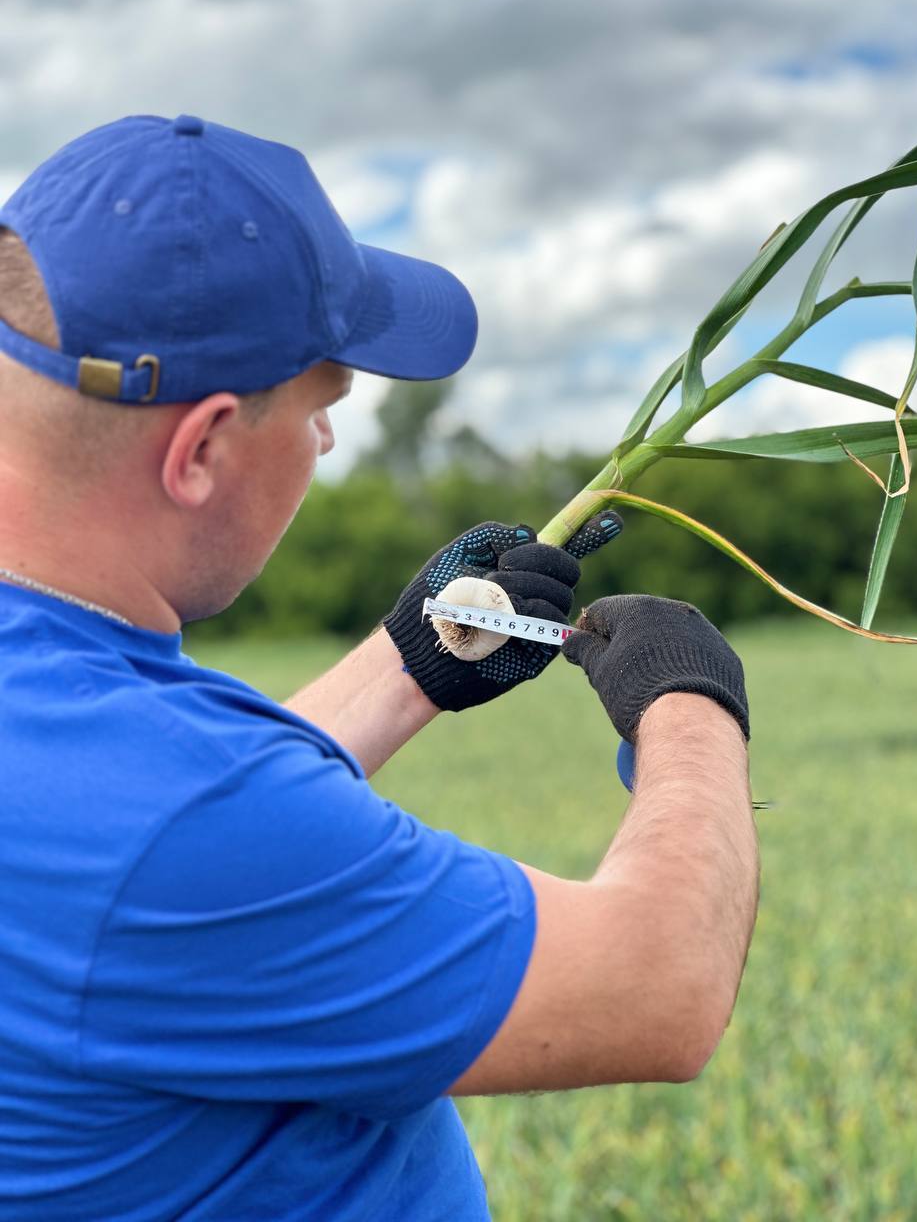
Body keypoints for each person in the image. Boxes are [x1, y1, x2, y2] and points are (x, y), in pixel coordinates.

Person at [0, 115, 759, 1221]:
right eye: (322, 410)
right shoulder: (182, 824)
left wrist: (411, 665)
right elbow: (662, 983)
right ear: (201, 449)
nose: (326, 447)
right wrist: (692, 701)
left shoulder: (83, 730)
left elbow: (164, 844)